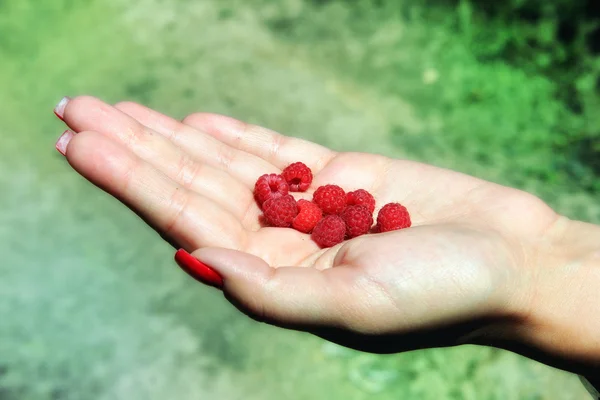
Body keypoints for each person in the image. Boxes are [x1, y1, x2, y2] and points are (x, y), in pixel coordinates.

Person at [53, 96, 599, 396]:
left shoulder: (339, 212)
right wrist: (541, 268)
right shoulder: (323, 206)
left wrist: (536, 271)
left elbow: (336, 214)